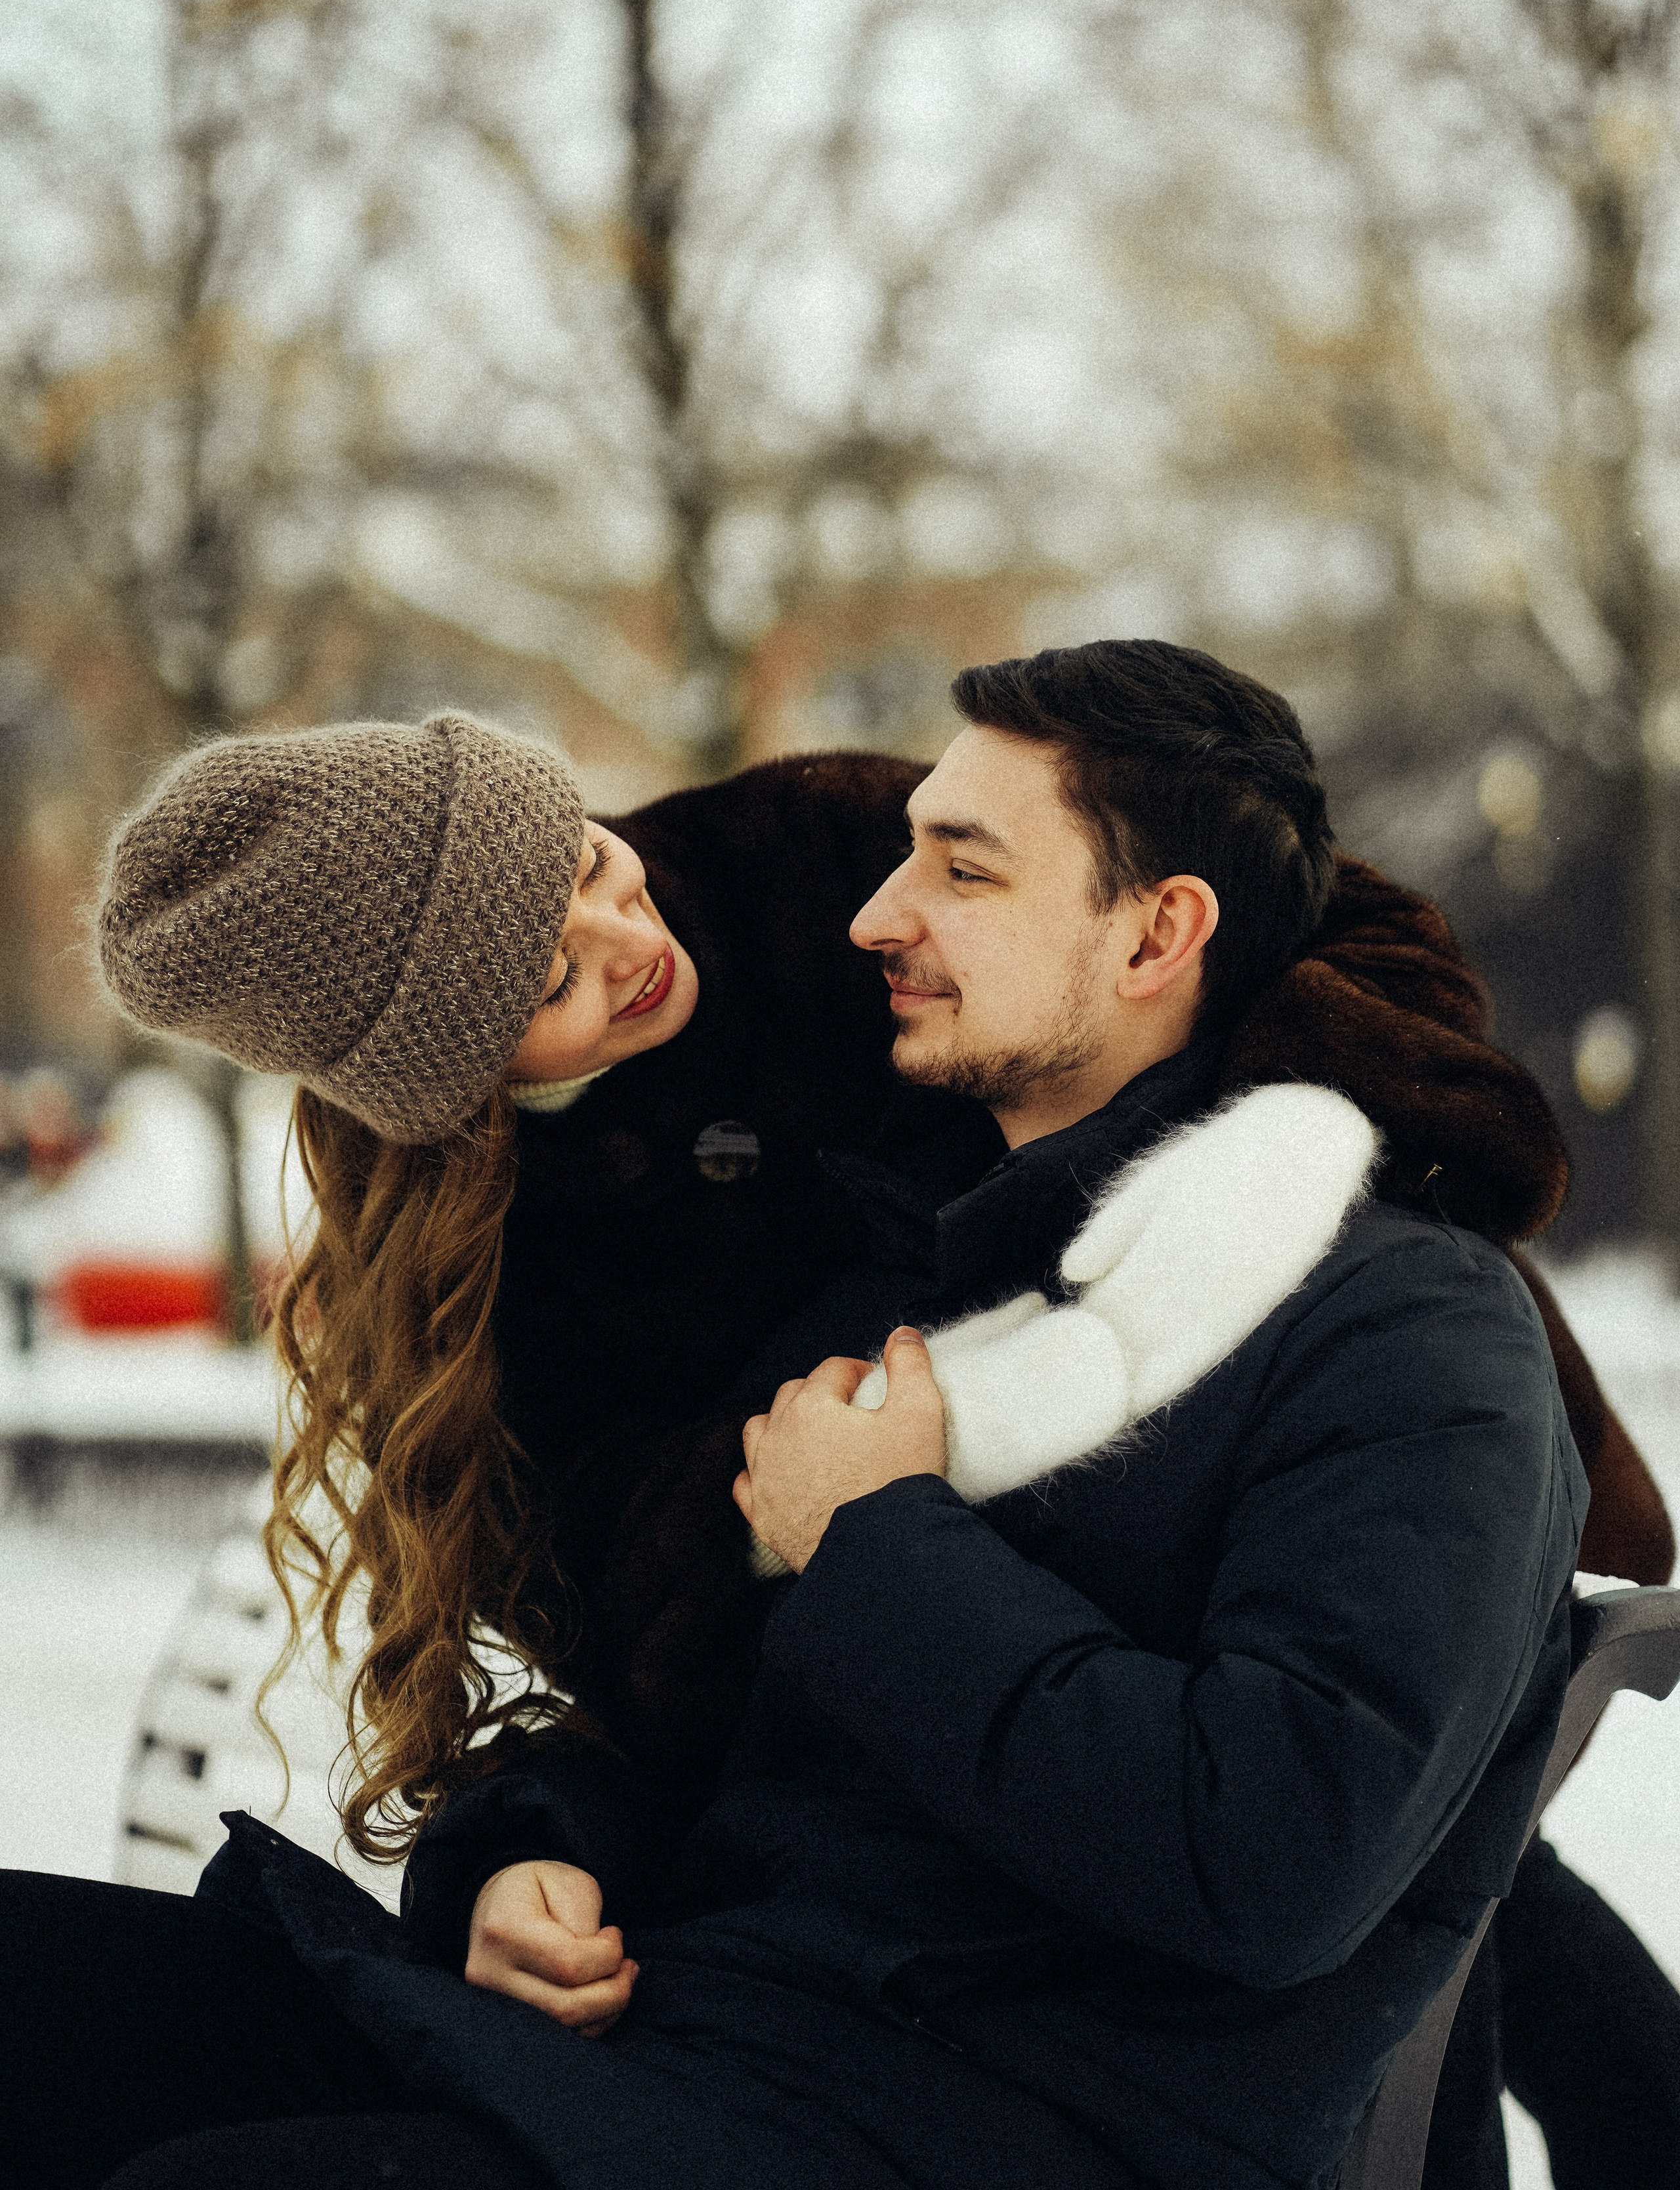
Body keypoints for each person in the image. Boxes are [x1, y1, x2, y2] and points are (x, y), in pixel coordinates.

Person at [3, 675, 1664, 2189]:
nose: (878, 912)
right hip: (721, 2019)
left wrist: (884, 1530)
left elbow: (1279, 1854)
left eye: (959, 867)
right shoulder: (827, 1309)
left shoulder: (1388, 1323)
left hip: (946, 2092)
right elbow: (681, 1681)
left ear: (1157, 939)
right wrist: (519, 1855)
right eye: (545, 982)